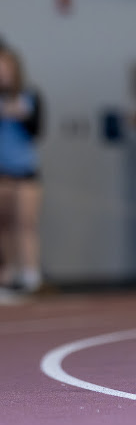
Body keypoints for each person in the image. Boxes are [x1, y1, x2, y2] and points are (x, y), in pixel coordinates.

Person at [0, 44, 45, 296]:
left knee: (25, 222)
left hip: (25, 169)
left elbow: (38, 130)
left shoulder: (30, 95)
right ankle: (10, 271)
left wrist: (21, 115)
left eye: (6, 67)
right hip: (1, 169)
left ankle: (31, 274)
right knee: (4, 224)